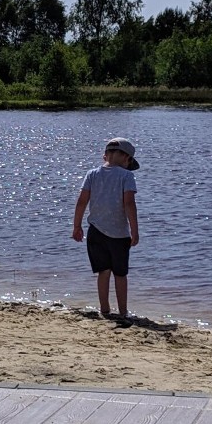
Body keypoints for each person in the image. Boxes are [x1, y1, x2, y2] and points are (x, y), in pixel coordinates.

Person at [72, 137, 140, 320]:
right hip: (118, 234)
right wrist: (135, 230)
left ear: (106, 155)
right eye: (128, 161)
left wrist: (76, 226)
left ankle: (105, 309)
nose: (128, 165)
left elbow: (82, 201)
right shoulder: (126, 176)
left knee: (103, 271)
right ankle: (123, 312)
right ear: (124, 157)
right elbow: (129, 204)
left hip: (95, 230)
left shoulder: (92, 174)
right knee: (120, 274)